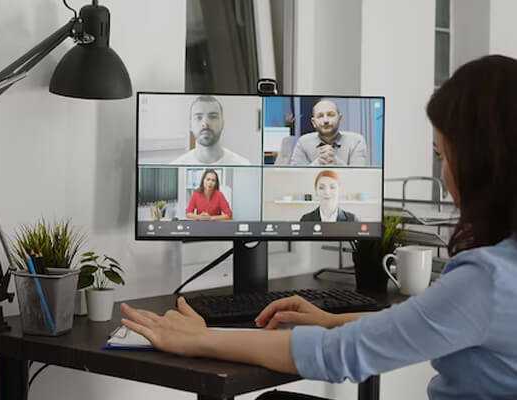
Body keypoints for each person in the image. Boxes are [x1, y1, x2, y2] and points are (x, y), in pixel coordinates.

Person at [121, 55, 517, 399]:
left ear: (482, 163)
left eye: (443, 156)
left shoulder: (486, 280)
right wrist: (332, 319)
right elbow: (418, 321)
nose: (445, 174)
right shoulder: (503, 269)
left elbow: (338, 354)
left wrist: (202, 338)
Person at [171, 96, 250, 165]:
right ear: (190, 125)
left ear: (222, 123)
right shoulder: (176, 165)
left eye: (212, 117)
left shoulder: (244, 164)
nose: (205, 123)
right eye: (199, 117)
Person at [290, 99, 369, 166]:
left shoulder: (356, 141)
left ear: (339, 118)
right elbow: (296, 177)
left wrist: (336, 162)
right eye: (320, 116)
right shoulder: (303, 142)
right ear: (313, 122)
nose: (326, 120)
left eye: (330, 115)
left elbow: (358, 177)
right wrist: (318, 162)